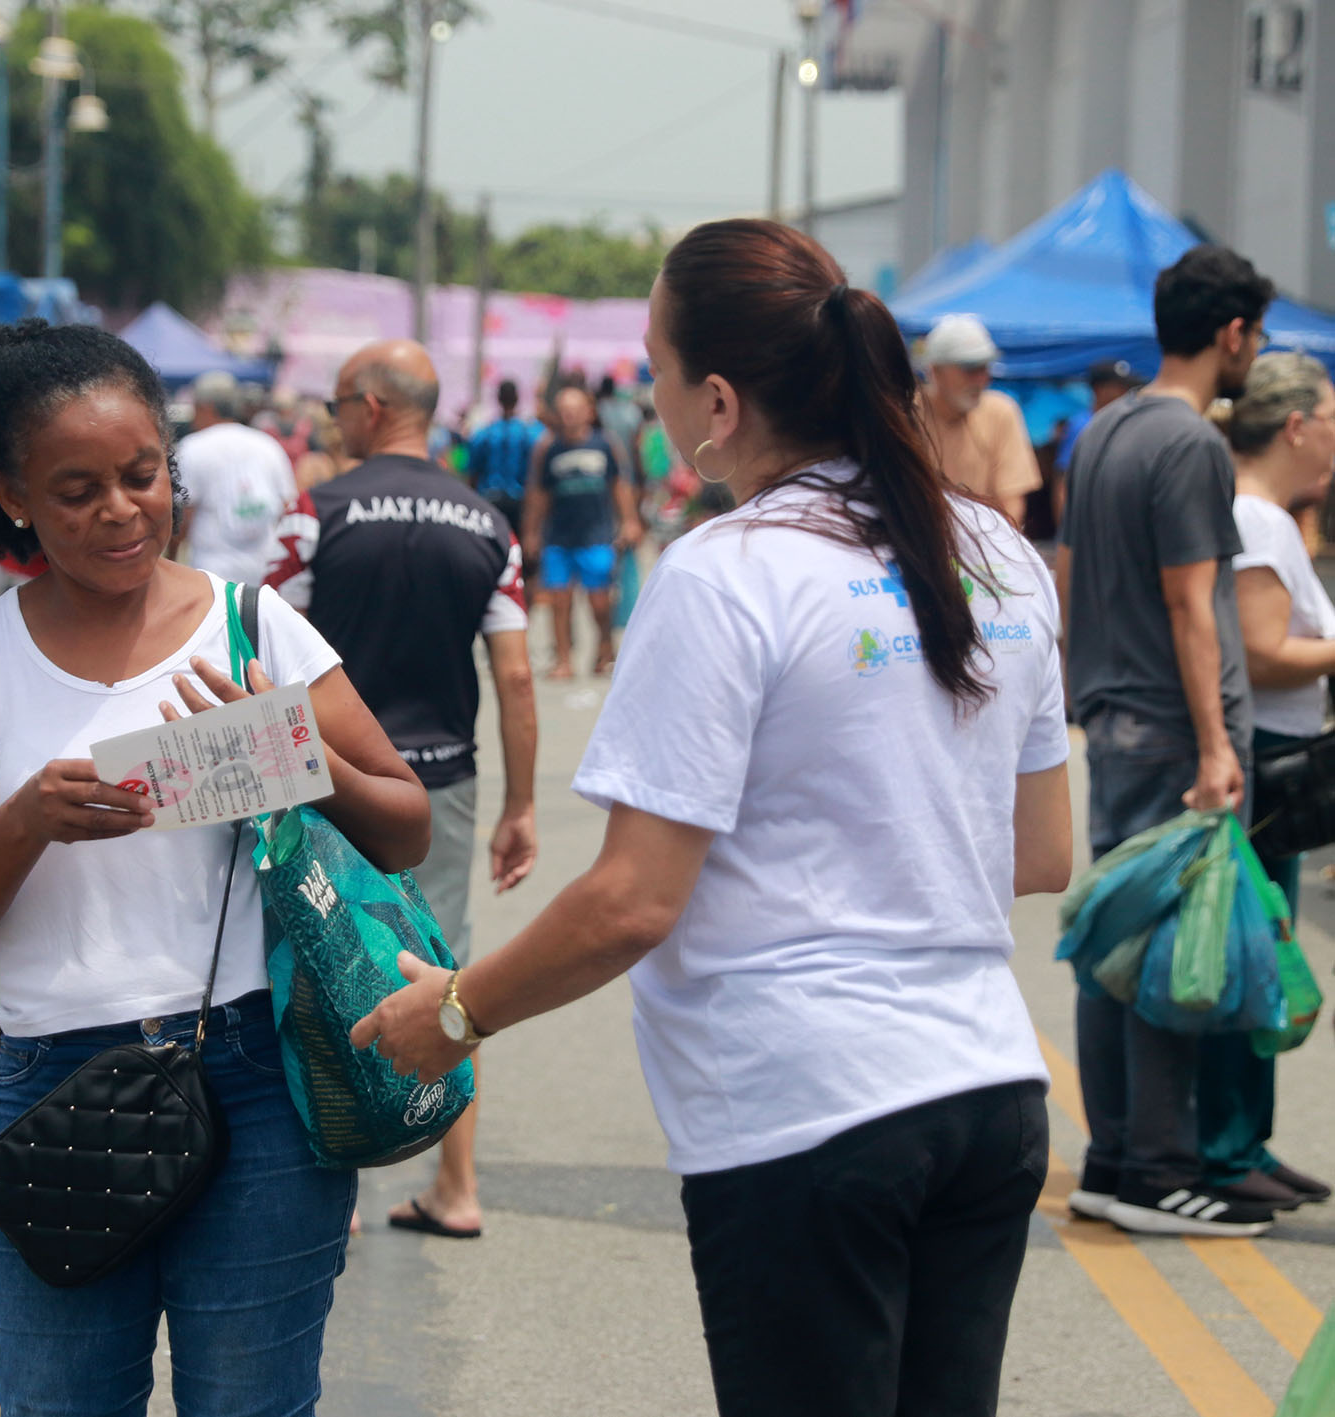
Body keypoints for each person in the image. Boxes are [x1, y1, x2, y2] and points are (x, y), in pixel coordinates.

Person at [351, 219, 1074, 1417]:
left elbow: (632, 898)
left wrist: (458, 1010)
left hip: (809, 1108)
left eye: (655, 361)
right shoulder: (993, 548)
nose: (650, 385)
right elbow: (1039, 852)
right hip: (987, 1095)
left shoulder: (726, 570)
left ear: (719, 402)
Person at [0, 320, 429, 1415]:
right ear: (12, 496)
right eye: (76, 488)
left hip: (254, 1078)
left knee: (251, 1400)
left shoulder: (253, 625)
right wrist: (26, 822)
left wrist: (288, 751)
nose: (119, 510)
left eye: (142, 475)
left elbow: (405, 823)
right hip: (55, 1086)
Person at [266, 338, 538, 1240]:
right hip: (444, 779)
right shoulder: (488, 525)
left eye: (340, 403)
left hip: (331, 779)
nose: (335, 421)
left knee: (316, 955)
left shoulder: (315, 515)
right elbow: (516, 676)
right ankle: (456, 1185)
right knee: (447, 973)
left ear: (373, 406)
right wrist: (522, 804)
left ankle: (330, 1165)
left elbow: (268, 646)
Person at [1057, 243, 1278, 1234]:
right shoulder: (1188, 445)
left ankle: (1110, 1159)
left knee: (1111, 939)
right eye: (1254, 335)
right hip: (1168, 729)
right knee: (1164, 950)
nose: (1255, 352)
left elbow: (1070, 576)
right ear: (1228, 333)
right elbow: (1192, 603)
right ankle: (1154, 1166)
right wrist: (1214, 744)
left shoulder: (1101, 430)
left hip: (1113, 717)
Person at [1204, 352, 1335, 1209]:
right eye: (1329, 418)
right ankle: (1226, 1146)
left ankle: (1247, 1139)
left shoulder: (1272, 517)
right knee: (1254, 961)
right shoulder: (1257, 519)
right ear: (1295, 426)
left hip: (1280, 769)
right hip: (1269, 771)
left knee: (1268, 958)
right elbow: (1260, 652)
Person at [521, 386, 642, 679]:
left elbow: (619, 485)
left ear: (589, 412)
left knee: (600, 602)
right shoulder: (548, 448)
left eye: (575, 411)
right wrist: (532, 532)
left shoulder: (605, 444)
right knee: (559, 603)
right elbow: (539, 493)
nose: (570, 417)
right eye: (564, 411)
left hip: (596, 535)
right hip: (559, 537)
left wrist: (629, 520)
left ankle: (604, 650)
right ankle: (564, 660)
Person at [916, 314, 1042, 527]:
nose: (982, 378)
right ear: (935, 370)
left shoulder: (1000, 412)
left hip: (981, 546)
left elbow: (1012, 503)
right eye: (970, 368)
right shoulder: (906, 414)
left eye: (985, 367)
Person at [174, 369, 297, 584]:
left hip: (213, 577)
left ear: (205, 407)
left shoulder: (192, 448)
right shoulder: (267, 445)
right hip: (264, 573)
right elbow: (288, 509)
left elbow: (183, 516)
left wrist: (171, 560)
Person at [464, 379, 546, 535]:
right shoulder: (530, 433)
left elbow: (472, 474)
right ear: (517, 398)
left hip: (490, 500)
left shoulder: (484, 433)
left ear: (498, 399)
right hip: (520, 501)